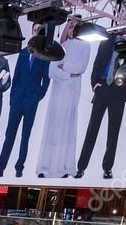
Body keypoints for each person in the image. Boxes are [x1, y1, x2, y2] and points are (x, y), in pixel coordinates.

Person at [0, 24, 49, 178]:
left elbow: (46, 79)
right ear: (32, 31)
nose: (36, 33)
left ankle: (19, 167)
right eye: (35, 30)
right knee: (9, 135)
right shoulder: (23, 53)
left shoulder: (44, 55)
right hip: (17, 101)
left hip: (31, 102)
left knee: (25, 136)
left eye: (39, 31)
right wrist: (12, 98)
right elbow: (15, 78)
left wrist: (37, 97)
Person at [75, 35, 126, 180]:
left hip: (119, 88)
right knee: (92, 129)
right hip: (102, 86)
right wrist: (94, 83)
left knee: (113, 132)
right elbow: (97, 62)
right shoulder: (107, 39)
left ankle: (107, 168)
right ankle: (81, 167)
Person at [36, 18, 90, 178]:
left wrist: (64, 67)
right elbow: (52, 71)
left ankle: (63, 168)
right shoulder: (62, 46)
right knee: (52, 127)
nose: (71, 29)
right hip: (58, 90)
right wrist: (68, 74)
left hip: (71, 90)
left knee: (66, 126)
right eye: (70, 25)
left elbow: (80, 68)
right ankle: (45, 167)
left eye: (74, 26)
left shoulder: (86, 45)